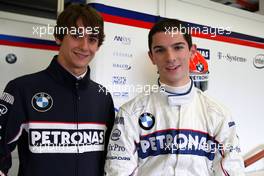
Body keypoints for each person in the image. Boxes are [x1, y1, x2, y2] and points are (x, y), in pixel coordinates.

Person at [104, 19, 245, 176]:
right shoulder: (130, 113)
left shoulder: (219, 115)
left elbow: (232, 170)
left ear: (192, 52)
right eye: (160, 50)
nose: (170, 57)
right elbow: (118, 171)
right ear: (151, 57)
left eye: (178, 47)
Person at [0, 4, 115, 176]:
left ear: (98, 45)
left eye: (92, 39)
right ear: (59, 37)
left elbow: (113, 159)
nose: (84, 46)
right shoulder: (21, 89)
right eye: (76, 36)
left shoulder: (103, 97)